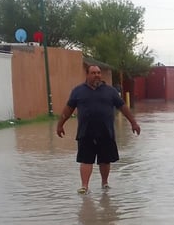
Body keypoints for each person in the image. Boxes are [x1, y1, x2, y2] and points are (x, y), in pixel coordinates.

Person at [57, 65, 140, 194]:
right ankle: (84, 186)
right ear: (87, 75)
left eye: (99, 73)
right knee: (86, 160)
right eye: (93, 73)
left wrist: (133, 123)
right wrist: (60, 124)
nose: (97, 75)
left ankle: (105, 183)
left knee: (105, 160)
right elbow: (68, 109)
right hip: (86, 132)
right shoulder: (78, 91)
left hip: (106, 131)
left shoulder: (110, 91)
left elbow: (123, 107)